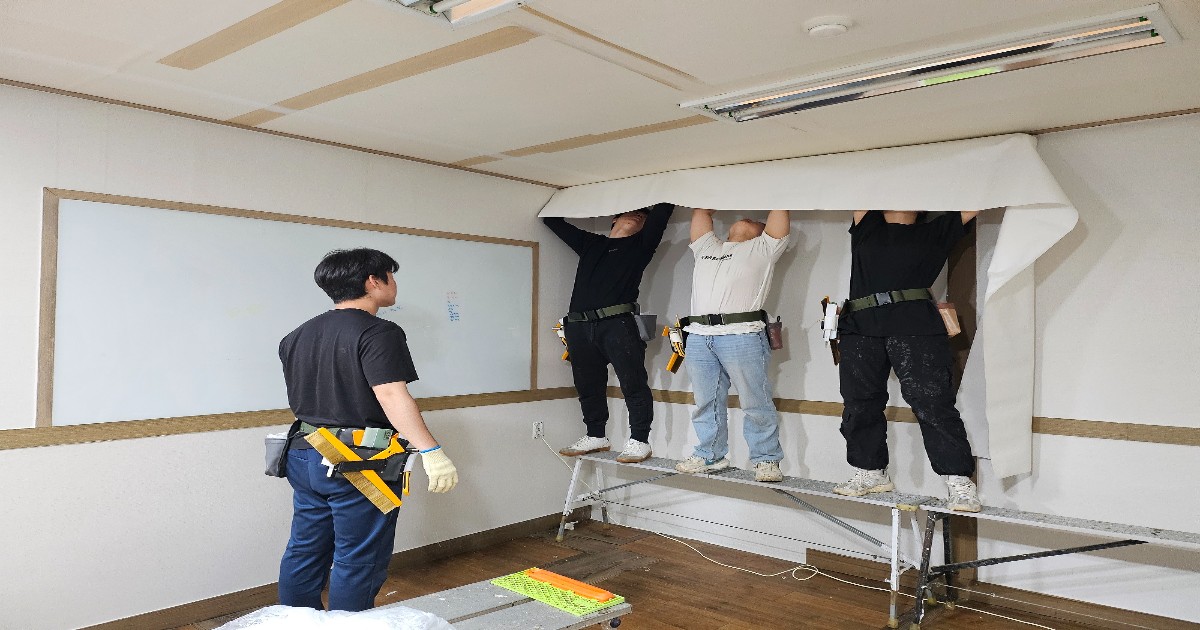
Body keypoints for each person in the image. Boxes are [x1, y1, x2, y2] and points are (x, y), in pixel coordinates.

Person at [277, 248, 459, 611]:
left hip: (303, 451)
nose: (394, 284)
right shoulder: (379, 332)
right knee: (358, 556)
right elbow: (391, 395)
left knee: (305, 549)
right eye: (391, 276)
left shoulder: (297, 335)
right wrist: (431, 451)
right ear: (373, 281)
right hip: (357, 461)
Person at [833, 210, 981, 512]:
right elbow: (859, 188)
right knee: (859, 403)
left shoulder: (937, 230)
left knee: (932, 402)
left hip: (916, 325)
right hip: (861, 325)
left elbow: (981, 198)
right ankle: (870, 471)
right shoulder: (867, 225)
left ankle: (958, 480)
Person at [543, 204, 673, 463]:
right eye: (632, 212)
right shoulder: (590, 243)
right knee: (587, 384)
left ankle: (639, 440)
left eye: (642, 217)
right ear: (614, 218)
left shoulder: (641, 245)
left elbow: (663, 209)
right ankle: (595, 435)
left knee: (633, 382)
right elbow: (551, 220)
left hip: (617, 323)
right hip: (578, 325)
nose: (638, 216)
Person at [675, 208, 790, 482]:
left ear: (762, 232)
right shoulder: (707, 246)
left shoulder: (763, 249)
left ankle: (766, 459)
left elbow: (781, 205)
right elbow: (701, 210)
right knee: (705, 401)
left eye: (755, 221)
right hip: (699, 334)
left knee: (754, 400)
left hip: (742, 333)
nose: (747, 218)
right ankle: (710, 454)